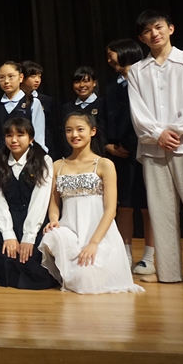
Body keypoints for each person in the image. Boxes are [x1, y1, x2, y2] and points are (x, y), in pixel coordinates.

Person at [127, 10, 183, 291]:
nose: (154, 34)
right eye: (147, 31)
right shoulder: (137, 71)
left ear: (170, 28)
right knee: (161, 212)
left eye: (158, 27)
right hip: (154, 149)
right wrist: (158, 134)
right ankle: (168, 271)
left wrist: (175, 131)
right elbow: (138, 112)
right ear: (142, 38)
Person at [39, 111, 143, 294]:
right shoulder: (57, 165)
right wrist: (54, 219)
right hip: (71, 230)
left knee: (86, 279)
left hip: (98, 233)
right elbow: (54, 202)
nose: (74, 135)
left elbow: (110, 209)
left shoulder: (104, 164)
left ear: (92, 131)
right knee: (52, 236)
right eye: (69, 130)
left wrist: (94, 243)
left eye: (80, 129)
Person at [105, 39, 155, 274]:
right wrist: (108, 145)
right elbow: (105, 119)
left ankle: (149, 257)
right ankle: (124, 254)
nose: (109, 59)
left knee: (147, 207)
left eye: (112, 54)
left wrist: (133, 143)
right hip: (119, 155)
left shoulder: (147, 80)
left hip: (145, 151)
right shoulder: (112, 88)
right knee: (123, 206)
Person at [0, 118, 58, 289]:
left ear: (31, 138)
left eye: (20, 135)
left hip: (35, 220)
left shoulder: (43, 160)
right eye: (9, 135)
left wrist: (29, 236)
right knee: (5, 264)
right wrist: (8, 234)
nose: (14, 140)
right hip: (7, 220)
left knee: (33, 267)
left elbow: (40, 200)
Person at [0, 61, 47, 158]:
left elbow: (38, 134)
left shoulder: (33, 102)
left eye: (11, 76)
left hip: (27, 156)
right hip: (1, 157)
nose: (6, 81)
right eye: (1, 77)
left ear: (21, 77)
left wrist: (37, 155)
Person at [61, 66, 105, 158]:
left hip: (100, 153)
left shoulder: (103, 103)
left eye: (86, 81)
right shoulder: (67, 107)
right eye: (77, 82)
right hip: (73, 156)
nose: (81, 85)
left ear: (94, 83)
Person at [20, 61, 58, 160]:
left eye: (39, 76)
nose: (37, 80)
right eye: (33, 76)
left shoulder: (46, 100)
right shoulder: (15, 100)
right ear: (22, 77)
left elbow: (51, 127)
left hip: (44, 146)